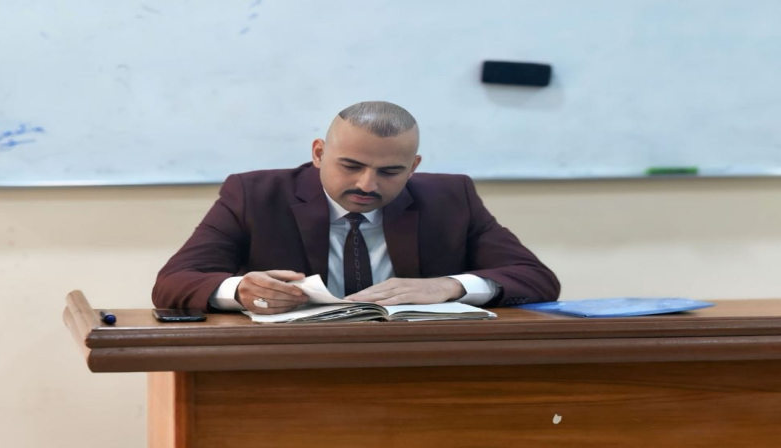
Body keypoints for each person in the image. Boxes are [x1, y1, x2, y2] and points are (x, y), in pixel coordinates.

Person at [153, 101, 559, 314]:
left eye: (390, 171)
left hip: (415, 363)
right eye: (351, 166)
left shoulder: (451, 197)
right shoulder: (255, 194)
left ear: (414, 167)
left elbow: (536, 279)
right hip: (288, 364)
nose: (368, 184)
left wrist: (450, 286)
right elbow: (173, 283)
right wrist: (239, 290)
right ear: (318, 153)